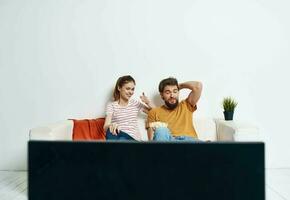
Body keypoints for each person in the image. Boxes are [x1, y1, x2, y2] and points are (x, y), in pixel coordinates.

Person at [103, 75, 153, 141]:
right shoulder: (112, 106)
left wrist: (148, 102)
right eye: (128, 89)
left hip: (134, 140)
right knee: (110, 132)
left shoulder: (134, 103)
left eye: (132, 89)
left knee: (121, 140)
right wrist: (110, 125)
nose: (131, 92)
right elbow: (105, 127)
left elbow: (155, 113)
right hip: (119, 136)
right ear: (119, 88)